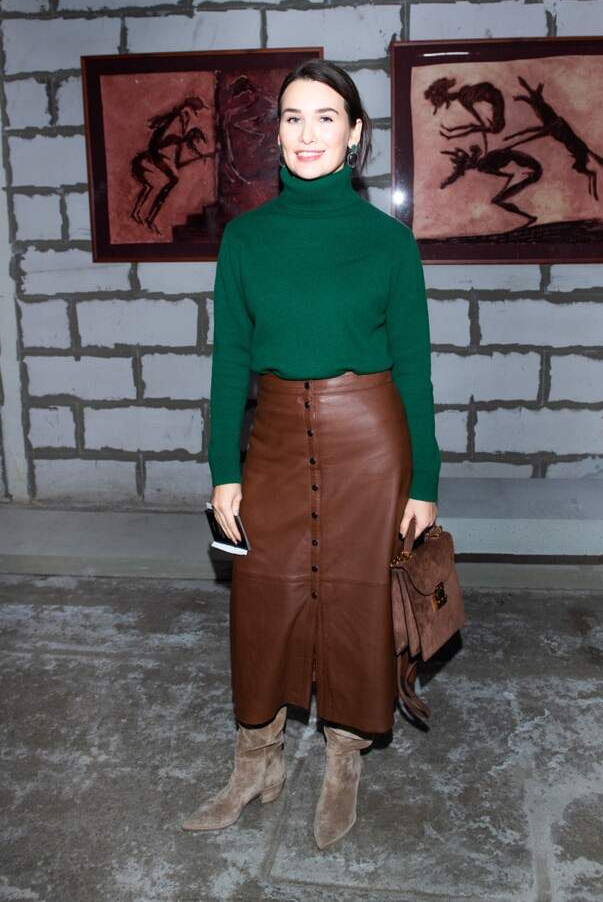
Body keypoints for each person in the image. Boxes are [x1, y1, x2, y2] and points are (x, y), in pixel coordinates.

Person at [182, 59, 441, 849]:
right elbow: (229, 360)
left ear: (355, 135)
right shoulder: (246, 239)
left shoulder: (389, 244)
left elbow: (415, 368)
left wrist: (424, 480)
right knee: (263, 598)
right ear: (277, 133)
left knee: (358, 599)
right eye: (292, 117)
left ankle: (343, 758)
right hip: (274, 442)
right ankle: (255, 760)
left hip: (370, 442)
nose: (306, 133)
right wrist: (224, 470)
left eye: (326, 117)